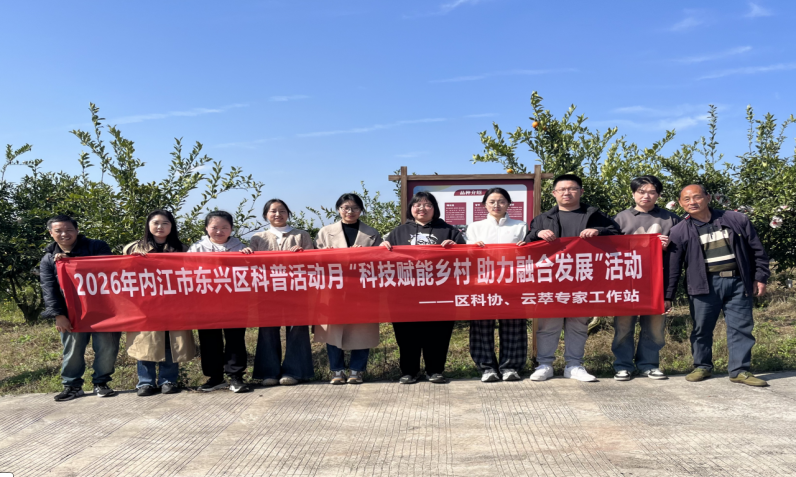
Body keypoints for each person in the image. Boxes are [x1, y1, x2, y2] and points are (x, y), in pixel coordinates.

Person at [666, 184, 770, 387]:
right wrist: (667, 296)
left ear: (708, 198)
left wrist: (760, 277)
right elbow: (673, 267)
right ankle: (702, 366)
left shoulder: (736, 220)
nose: (692, 202)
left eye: (697, 197)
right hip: (703, 284)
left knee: (741, 327)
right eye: (686, 199)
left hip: (738, 282)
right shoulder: (679, 231)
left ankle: (740, 370)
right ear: (680, 203)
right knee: (701, 328)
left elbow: (757, 251)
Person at [525, 174, 620, 382]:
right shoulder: (543, 219)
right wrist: (537, 234)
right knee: (548, 325)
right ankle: (545, 365)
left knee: (578, 324)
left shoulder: (595, 215)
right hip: (551, 280)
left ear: (581, 192)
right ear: (554, 193)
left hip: (583, 278)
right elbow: (526, 244)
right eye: (562, 189)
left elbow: (618, 236)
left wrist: (599, 231)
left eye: (572, 188)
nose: (567, 192)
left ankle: (574, 365)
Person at [381, 191, 466, 384]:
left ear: (434, 209)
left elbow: (465, 259)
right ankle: (409, 371)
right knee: (406, 334)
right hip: (405, 295)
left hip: (440, 293)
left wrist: (457, 247)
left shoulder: (449, 231)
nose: (422, 208)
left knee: (438, 334)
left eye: (427, 205)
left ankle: (435, 370)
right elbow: (383, 260)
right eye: (417, 205)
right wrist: (382, 246)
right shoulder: (398, 232)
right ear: (411, 208)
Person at [40, 214, 121, 401]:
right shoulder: (48, 259)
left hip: (104, 309)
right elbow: (49, 289)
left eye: (69, 229)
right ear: (51, 233)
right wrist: (58, 315)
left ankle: (101, 382)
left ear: (77, 230)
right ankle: (72, 385)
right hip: (72, 312)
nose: (64, 234)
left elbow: (108, 266)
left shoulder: (97, 246)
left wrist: (71, 259)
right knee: (73, 350)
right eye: (58, 231)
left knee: (107, 348)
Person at [611, 176, 680, 381]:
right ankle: (623, 365)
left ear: (658, 195)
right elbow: (610, 250)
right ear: (633, 194)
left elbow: (680, 253)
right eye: (641, 192)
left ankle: (649, 364)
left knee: (654, 328)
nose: (646, 196)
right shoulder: (621, 218)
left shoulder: (670, 219)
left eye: (651, 192)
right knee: (623, 327)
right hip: (626, 282)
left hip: (656, 283)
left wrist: (669, 246)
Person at [123, 210, 197, 396]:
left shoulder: (182, 249)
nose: (160, 227)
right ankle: (145, 382)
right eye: (155, 223)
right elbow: (120, 274)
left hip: (174, 304)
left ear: (171, 226)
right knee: (145, 342)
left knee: (171, 342)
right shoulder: (133, 249)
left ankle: (168, 380)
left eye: (165, 223)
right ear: (148, 225)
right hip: (145, 305)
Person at [315, 193, 383, 384]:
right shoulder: (325, 232)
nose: (350, 211)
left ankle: (357, 371)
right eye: (345, 207)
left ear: (361, 210)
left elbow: (381, 261)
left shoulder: (372, 233)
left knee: (362, 330)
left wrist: (364, 255)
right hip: (334, 289)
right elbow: (314, 260)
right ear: (338, 209)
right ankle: (336, 371)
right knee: (333, 330)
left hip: (362, 289)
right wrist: (326, 255)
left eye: (355, 208)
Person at [249, 199, 315, 386]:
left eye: (282, 211)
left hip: (297, 291)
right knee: (267, 330)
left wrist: (303, 254)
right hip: (267, 292)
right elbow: (250, 265)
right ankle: (269, 373)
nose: (278, 214)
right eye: (273, 211)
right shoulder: (258, 238)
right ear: (266, 215)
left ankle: (294, 372)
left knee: (297, 330)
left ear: (288, 214)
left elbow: (313, 262)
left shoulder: (301, 235)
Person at [465, 187, 528, 382]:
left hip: (512, 282)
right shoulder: (475, 227)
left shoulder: (520, 226)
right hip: (483, 282)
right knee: (482, 325)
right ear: (484, 205)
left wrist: (524, 248)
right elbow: (466, 253)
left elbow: (530, 253)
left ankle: (510, 367)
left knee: (513, 325)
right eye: (491, 201)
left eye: (501, 201)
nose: (496, 205)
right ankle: (487, 368)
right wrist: (473, 248)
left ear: (508, 204)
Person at [188, 210, 253, 393]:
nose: (219, 231)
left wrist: (248, 257)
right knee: (209, 339)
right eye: (214, 227)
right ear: (206, 228)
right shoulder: (196, 248)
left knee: (235, 338)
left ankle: (236, 376)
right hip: (206, 301)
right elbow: (185, 270)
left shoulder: (240, 247)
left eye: (225, 227)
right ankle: (215, 377)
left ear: (231, 229)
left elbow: (250, 272)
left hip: (235, 301)